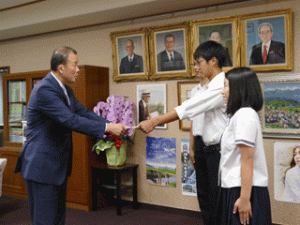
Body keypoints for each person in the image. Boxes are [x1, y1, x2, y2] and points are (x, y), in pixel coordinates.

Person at [14, 46, 128, 225]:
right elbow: (70, 120)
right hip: (41, 167)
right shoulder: (44, 89)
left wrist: (111, 125)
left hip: (55, 167)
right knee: (45, 221)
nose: (78, 70)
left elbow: (83, 113)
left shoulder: (66, 90)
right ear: (61, 68)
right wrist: (107, 128)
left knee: (58, 219)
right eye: (74, 65)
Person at [139, 40, 228, 225]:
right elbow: (194, 118)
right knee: (204, 195)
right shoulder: (208, 86)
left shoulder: (222, 86)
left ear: (213, 61)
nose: (196, 67)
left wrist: (155, 121)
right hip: (204, 145)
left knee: (218, 198)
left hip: (220, 150)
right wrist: (194, 147)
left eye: (199, 62)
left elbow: (187, 109)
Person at [217, 67, 272, 225]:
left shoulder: (244, 115)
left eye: (226, 86)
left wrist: (244, 199)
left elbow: (247, 159)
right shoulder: (240, 114)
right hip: (237, 186)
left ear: (238, 89)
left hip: (243, 189)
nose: (223, 91)